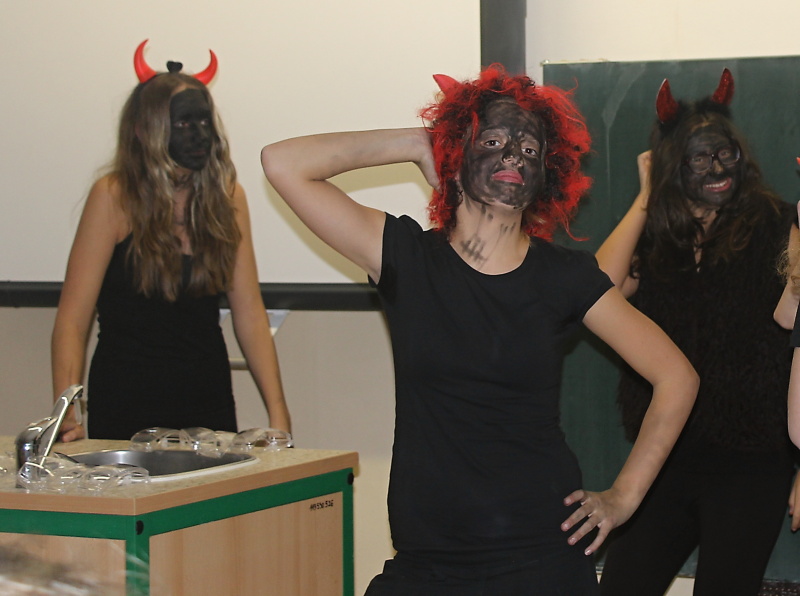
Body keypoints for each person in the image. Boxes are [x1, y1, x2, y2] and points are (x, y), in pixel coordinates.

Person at [261, 65, 697, 595]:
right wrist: (417, 142)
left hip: (541, 559)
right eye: (492, 141)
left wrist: (624, 497)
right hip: (427, 562)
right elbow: (282, 163)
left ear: (546, 174)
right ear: (456, 155)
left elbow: (677, 377)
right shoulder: (405, 257)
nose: (513, 156)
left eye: (530, 149)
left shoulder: (564, 277)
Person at [596, 69, 799, 595]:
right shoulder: (655, 241)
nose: (718, 169)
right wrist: (646, 197)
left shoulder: (779, 227)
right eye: (700, 159)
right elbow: (595, 291)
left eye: (725, 154)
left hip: (754, 463)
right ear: (672, 165)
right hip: (664, 455)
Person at [51, 40, 290, 441]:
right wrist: (66, 414)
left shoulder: (228, 198)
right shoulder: (113, 197)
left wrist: (280, 414)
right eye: (183, 124)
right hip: (125, 403)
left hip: (208, 402)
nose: (199, 134)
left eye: (204, 122)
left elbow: (249, 312)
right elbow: (73, 320)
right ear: (145, 130)